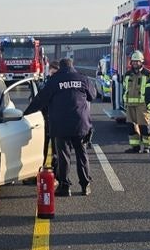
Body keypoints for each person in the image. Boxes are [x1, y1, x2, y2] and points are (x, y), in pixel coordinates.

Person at [24, 58, 96, 196]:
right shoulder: (82, 78)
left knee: (64, 156)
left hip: (60, 125)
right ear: (72, 65)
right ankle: (85, 185)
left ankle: (64, 187)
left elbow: (40, 100)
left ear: (60, 67)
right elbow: (92, 95)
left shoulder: (54, 80)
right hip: (80, 124)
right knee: (82, 155)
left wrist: (25, 114)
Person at [122, 51, 150, 153]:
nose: (135, 63)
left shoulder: (148, 74)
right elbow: (125, 88)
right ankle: (135, 147)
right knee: (131, 127)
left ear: (141, 62)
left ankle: (147, 146)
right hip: (130, 105)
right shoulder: (127, 74)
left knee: (144, 126)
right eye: (133, 61)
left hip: (143, 105)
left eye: (137, 61)